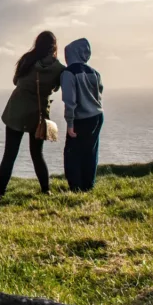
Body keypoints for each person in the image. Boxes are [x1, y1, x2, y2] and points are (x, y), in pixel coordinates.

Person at [0, 31, 65, 199]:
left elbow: (15, 81)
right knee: (37, 154)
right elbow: (56, 88)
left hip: (16, 110)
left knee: (9, 155)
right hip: (38, 114)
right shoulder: (59, 69)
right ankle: (46, 190)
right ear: (54, 47)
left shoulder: (27, 59)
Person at [61, 38, 104, 192]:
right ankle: (88, 185)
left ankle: (76, 187)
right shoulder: (94, 72)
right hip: (97, 116)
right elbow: (99, 92)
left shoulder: (68, 73)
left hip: (80, 119)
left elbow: (69, 100)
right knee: (90, 152)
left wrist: (70, 123)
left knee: (72, 154)